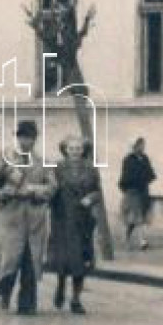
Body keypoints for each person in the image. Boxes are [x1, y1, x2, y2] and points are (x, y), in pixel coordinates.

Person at [0, 119, 56, 314]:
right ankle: (4, 295)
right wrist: (2, 186)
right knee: (10, 259)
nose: (26, 142)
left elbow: (52, 187)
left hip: (35, 219)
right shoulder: (3, 158)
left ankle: (28, 304)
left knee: (31, 261)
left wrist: (32, 190)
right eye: (22, 137)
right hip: (11, 217)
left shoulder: (43, 162)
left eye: (30, 138)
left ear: (35, 140)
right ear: (16, 138)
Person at [46, 134, 101, 314]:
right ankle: (61, 286)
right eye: (71, 149)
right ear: (65, 150)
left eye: (78, 149)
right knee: (63, 259)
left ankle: (76, 299)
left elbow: (97, 192)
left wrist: (90, 198)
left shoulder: (91, 169)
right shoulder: (57, 168)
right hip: (62, 219)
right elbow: (50, 190)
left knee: (80, 261)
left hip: (83, 220)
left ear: (83, 150)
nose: (75, 152)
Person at [118, 136, 156, 250]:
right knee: (137, 217)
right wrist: (131, 186)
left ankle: (126, 237)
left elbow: (150, 172)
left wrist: (147, 178)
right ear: (133, 146)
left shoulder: (145, 158)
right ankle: (142, 241)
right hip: (132, 191)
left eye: (143, 144)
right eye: (139, 145)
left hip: (143, 191)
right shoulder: (128, 159)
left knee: (137, 219)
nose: (142, 147)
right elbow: (126, 176)